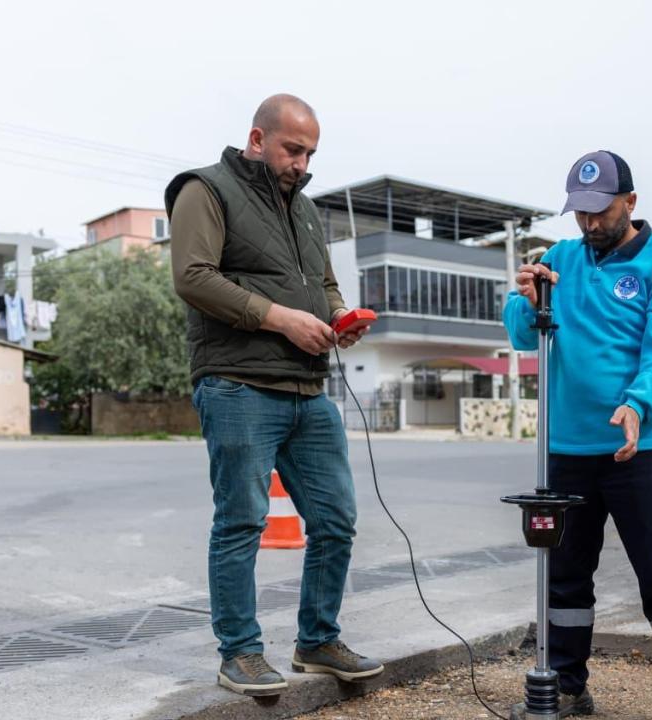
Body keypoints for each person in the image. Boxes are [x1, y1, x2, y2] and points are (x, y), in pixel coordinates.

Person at [165, 93, 383, 697]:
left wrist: (339, 315)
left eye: (311, 152)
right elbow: (193, 277)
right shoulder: (203, 190)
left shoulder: (306, 209)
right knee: (242, 520)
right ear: (257, 139)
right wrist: (281, 318)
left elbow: (325, 283)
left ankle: (317, 640)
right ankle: (240, 653)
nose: (302, 163)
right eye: (293, 149)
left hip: (306, 388)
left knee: (336, 518)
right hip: (236, 384)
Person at [503, 151, 652, 720]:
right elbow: (524, 335)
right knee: (565, 577)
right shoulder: (558, 259)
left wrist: (637, 404)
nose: (590, 224)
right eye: (580, 213)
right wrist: (527, 298)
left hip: (640, 450)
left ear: (630, 201)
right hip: (567, 452)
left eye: (601, 212)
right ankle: (568, 686)